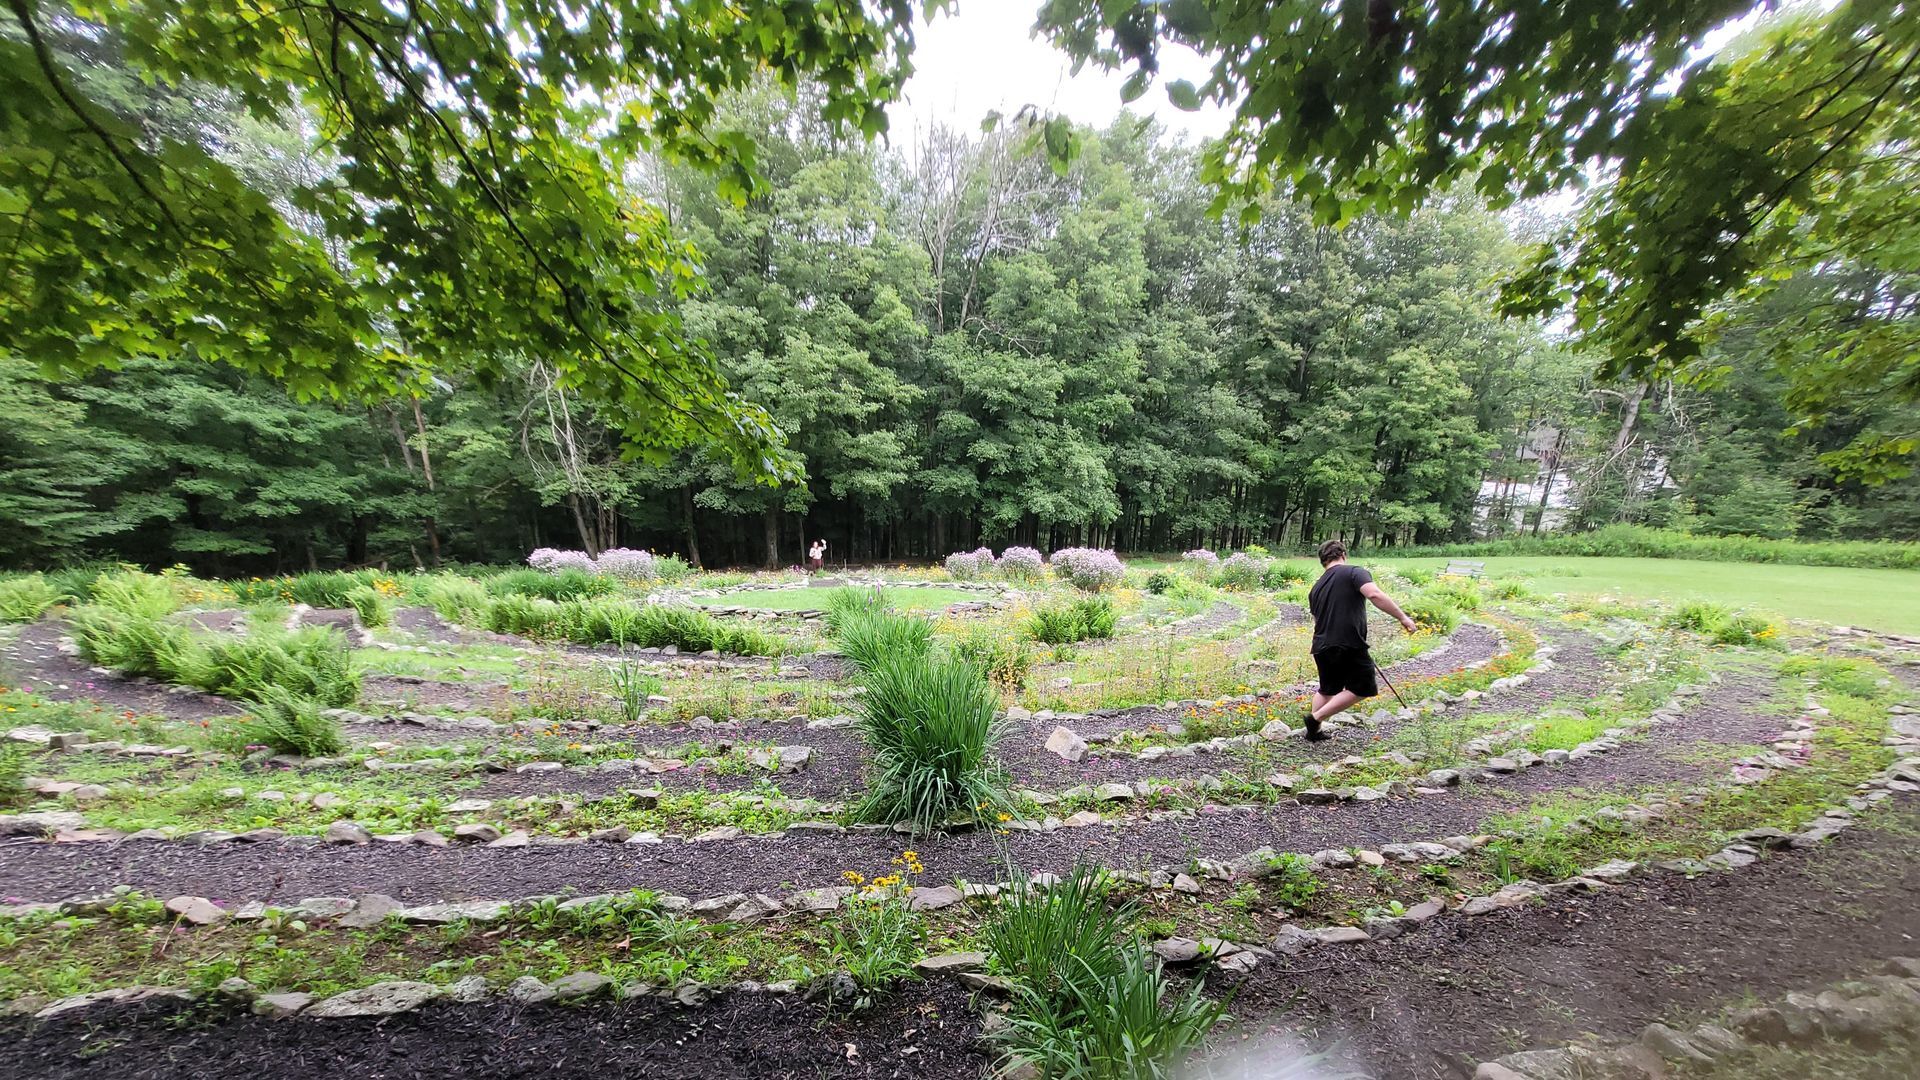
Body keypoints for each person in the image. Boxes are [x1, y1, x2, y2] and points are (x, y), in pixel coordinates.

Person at [1304, 538, 1417, 741]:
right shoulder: (1354, 572)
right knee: (1362, 688)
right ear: (1343, 556)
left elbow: (1317, 618)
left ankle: (1314, 732)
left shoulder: (1316, 588)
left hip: (1321, 645)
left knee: (1327, 689)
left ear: (1323, 561)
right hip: (1348, 643)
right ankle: (1316, 718)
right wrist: (1403, 617)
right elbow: (1374, 594)